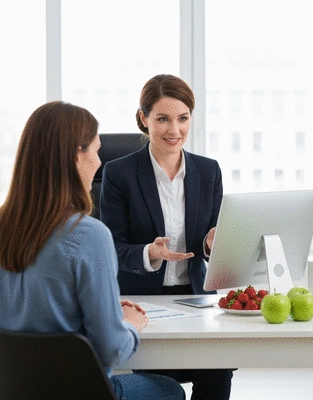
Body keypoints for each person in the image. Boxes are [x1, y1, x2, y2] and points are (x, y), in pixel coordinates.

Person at [0, 101, 185, 400]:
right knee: (169, 390)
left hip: (13, 391)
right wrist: (128, 324)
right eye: (96, 151)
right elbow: (111, 349)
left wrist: (104, 305)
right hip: (81, 391)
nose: (99, 162)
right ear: (77, 155)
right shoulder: (89, 235)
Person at [100, 74, 233, 400]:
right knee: (161, 385)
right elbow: (110, 249)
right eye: (162, 119)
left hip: (198, 302)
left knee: (218, 368)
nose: (175, 130)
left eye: (183, 118)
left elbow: (210, 241)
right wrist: (150, 252)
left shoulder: (209, 171)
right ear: (144, 119)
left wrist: (210, 243)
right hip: (145, 304)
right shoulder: (119, 174)